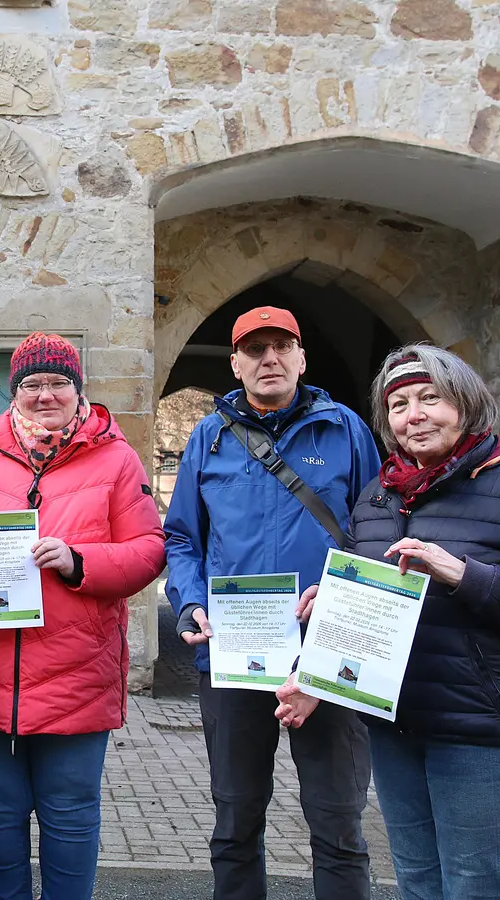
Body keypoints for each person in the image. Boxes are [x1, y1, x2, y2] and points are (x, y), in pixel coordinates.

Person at [274, 345, 500, 900]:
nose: (415, 414)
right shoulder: (379, 496)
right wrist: (315, 672)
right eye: (399, 404)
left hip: (485, 734)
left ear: (466, 405)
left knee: (478, 889)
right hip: (398, 729)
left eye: (431, 398)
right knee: (419, 887)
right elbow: (363, 606)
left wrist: (461, 574)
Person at [0, 332, 167, 900]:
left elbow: (148, 550)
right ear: (15, 391)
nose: (45, 395)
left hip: (76, 677)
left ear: (77, 389)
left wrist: (77, 559)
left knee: (70, 821)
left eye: (58, 383)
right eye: (32, 384)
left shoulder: (116, 458)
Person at [163, 307, 381, 900]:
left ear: (301, 358)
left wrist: (340, 601)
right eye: (254, 349)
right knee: (235, 821)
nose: (269, 359)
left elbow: (376, 536)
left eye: (281, 346)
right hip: (236, 653)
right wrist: (189, 602)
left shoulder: (346, 431)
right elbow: (182, 537)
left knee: (337, 823)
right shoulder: (208, 438)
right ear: (234, 364)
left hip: (329, 650)